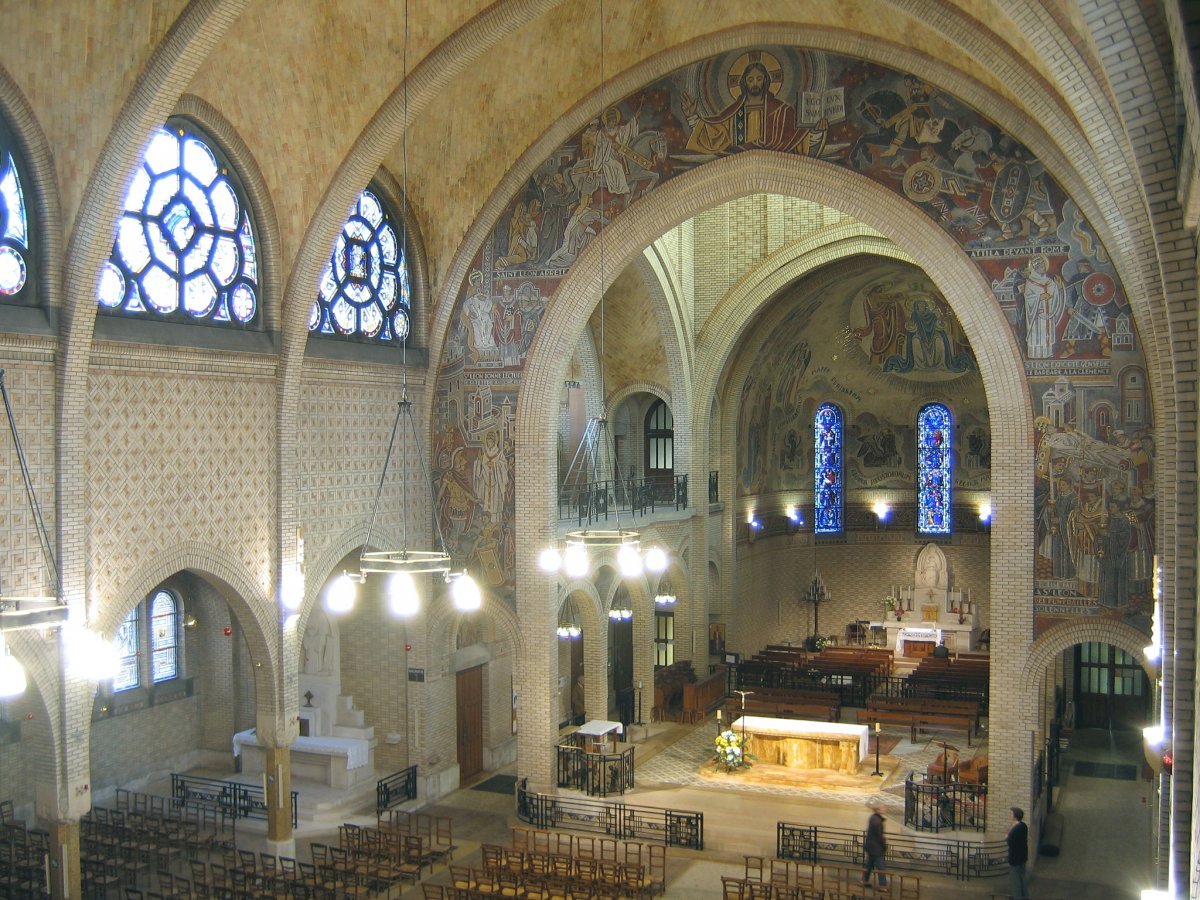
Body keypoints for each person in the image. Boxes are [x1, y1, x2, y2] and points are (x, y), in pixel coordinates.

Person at [862, 803, 888, 890]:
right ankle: (882, 886)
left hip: (870, 846)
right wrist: (884, 845)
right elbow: (879, 836)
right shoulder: (877, 821)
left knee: (869, 865)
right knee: (881, 867)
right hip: (876, 848)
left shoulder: (873, 817)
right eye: (883, 807)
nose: (885, 809)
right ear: (878, 810)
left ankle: (864, 881)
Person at [1007, 806, 1029, 899]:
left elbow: (1010, 842)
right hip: (1023, 856)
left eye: (1011, 814)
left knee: (1015, 880)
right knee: (1022, 876)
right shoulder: (1023, 826)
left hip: (1015, 858)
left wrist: (1008, 834)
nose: (1009, 816)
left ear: (1015, 816)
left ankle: (1018, 897)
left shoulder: (1015, 829)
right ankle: (1025, 895)